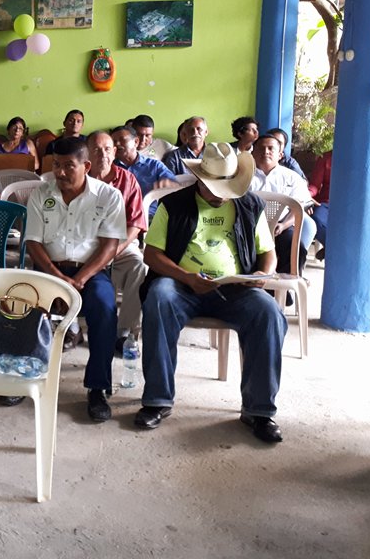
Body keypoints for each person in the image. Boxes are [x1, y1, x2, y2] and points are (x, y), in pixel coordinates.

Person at [136, 142, 287, 444]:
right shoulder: (174, 205)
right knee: (159, 297)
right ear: (201, 180)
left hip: (234, 289)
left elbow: (267, 253)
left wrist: (261, 274)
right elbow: (152, 255)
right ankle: (157, 400)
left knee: (268, 312)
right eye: (216, 187)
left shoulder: (248, 205)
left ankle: (258, 410)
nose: (221, 194)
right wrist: (187, 277)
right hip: (182, 285)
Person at [24, 137, 126, 422]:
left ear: (87, 166)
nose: (60, 172)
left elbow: (109, 246)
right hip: (48, 269)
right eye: (56, 165)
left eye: (69, 166)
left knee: (105, 309)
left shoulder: (108, 196)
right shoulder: (40, 193)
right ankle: (23, 376)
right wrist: (56, 276)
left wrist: (80, 278)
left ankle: (97, 388)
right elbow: (33, 242)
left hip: (90, 273)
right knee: (24, 301)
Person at [86, 131, 148, 353]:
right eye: (96, 149)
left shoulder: (127, 179)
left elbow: (136, 223)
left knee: (139, 266)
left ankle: (125, 331)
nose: (102, 154)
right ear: (87, 154)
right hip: (85, 245)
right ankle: (71, 326)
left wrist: (114, 250)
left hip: (121, 245)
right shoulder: (80, 178)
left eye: (107, 149)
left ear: (114, 152)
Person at [249, 134, 316, 274]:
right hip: (249, 227)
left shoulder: (292, 177)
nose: (265, 152)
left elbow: (298, 207)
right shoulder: (243, 176)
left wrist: (283, 225)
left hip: (281, 227)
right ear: (253, 153)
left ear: (280, 155)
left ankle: (284, 292)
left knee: (296, 250)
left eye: (270, 148)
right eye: (261, 148)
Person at [111, 124, 177, 220]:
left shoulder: (154, 166)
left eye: (122, 139)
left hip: (148, 217)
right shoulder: (110, 167)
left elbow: (173, 185)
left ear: (136, 142)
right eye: (114, 142)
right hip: (117, 218)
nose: (117, 144)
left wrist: (167, 184)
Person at [307, 149, 331, 256]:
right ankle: (332, 247)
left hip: (352, 205)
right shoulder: (325, 157)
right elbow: (314, 185)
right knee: (315, 218)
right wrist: (306, 195)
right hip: (327, 203)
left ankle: (330, 249)